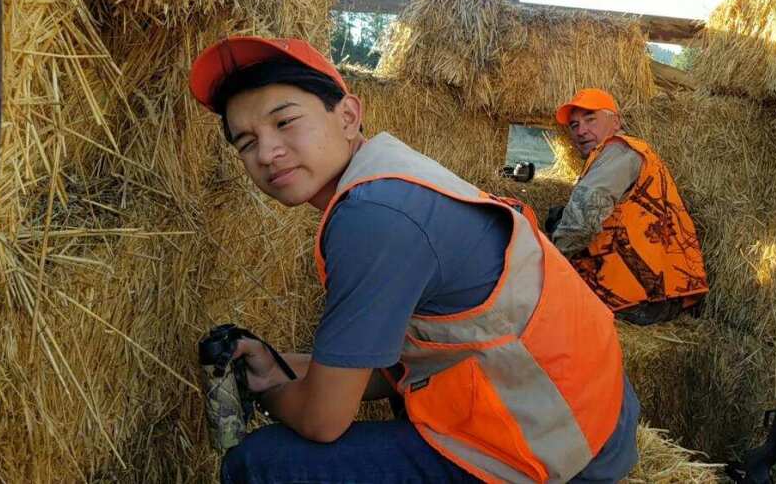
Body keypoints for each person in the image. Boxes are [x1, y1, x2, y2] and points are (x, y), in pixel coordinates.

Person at [189, 36, 640, 484]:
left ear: (348, 116)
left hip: (564, 450)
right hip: (593, 413)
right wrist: (282, 365)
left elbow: (322, 421)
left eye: (285, 122)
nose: (267, 154)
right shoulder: (395, 175)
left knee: (259, 463)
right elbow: (403, 363)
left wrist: (270, 392)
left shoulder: (373, 216)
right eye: (246, 143)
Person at [549, 88, 708, 326]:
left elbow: (581, 220)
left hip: (639, 298)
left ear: (616, 121)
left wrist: (546, 265)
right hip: (661, 292)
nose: (581, 131)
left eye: (590, 119)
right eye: (574, 125)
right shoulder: (625, 152)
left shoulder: (619, 150)